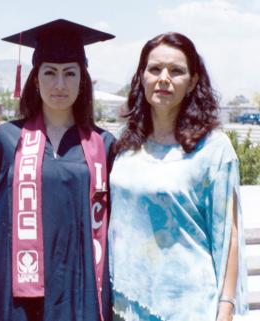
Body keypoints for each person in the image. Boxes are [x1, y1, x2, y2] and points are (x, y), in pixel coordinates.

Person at [0, 19, 115, 321]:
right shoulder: (7, 139)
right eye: (49, 73)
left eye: (70, 73)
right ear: (35, 78)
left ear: (83, 80)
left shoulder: (103, 145)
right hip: (19, 288)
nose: (59, 84)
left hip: (80, 288)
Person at [108, 32, 248, 321]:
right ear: (142, 76)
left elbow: (228, 234)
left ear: (193, 81)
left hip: (187, 305)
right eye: (155, 69)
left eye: (177, 71)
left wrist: (226, 308)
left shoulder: (213, 148)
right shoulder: (127, 144)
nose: (164, 78)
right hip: (125, 303)